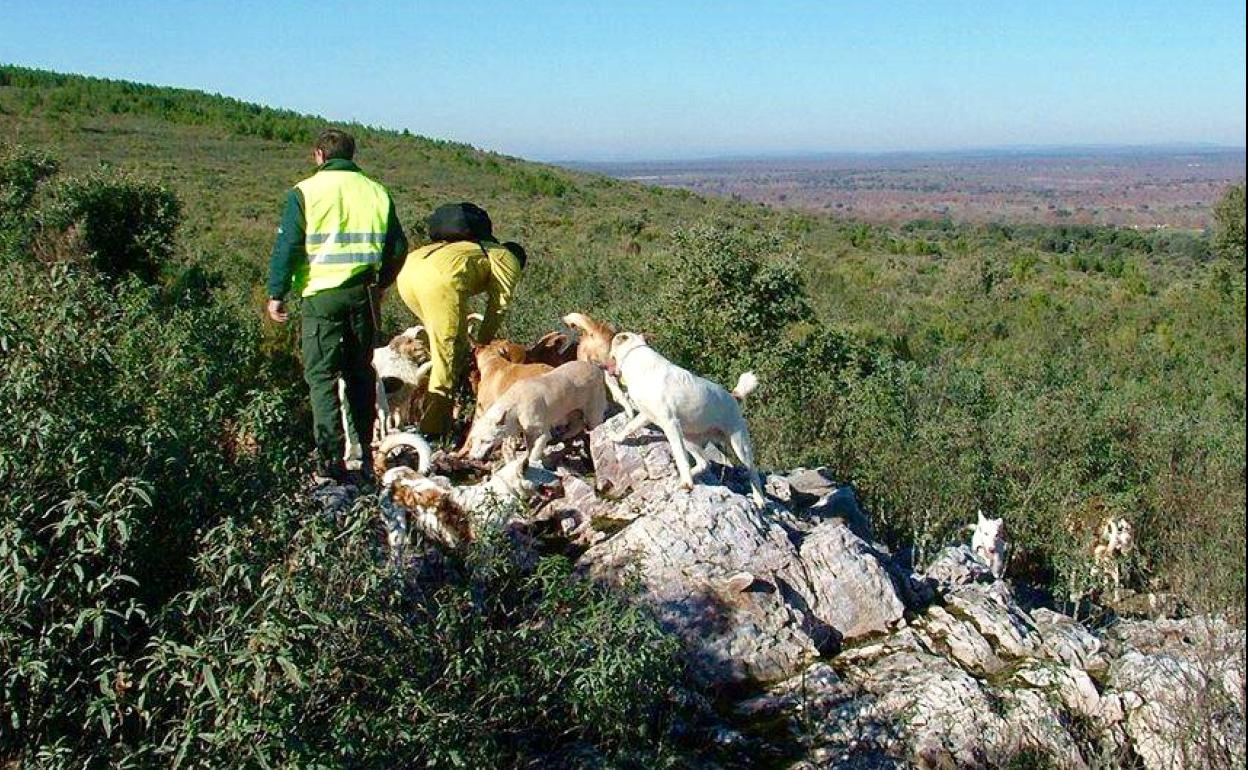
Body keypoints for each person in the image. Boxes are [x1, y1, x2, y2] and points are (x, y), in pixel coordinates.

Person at [265, 128, 408, 483]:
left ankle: (330, 463)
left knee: (321, 377)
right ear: (352, 155)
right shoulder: (377, 191)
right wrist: (381, 283)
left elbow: (289, 248)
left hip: (320, 297)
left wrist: (277, 292)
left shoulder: (305, 192)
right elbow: (399, 248)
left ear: (318, 155)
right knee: (359, 374)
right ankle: (364, 456)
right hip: (363, 295)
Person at [395, 203, 523, 437]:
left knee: (448, 345)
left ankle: (430, 409)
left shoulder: (472, 247)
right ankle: (432, 432)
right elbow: (498, 307)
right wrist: (482, 345)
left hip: (408, 270)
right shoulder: (508, 258)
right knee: (447, 356)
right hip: (437, 280)